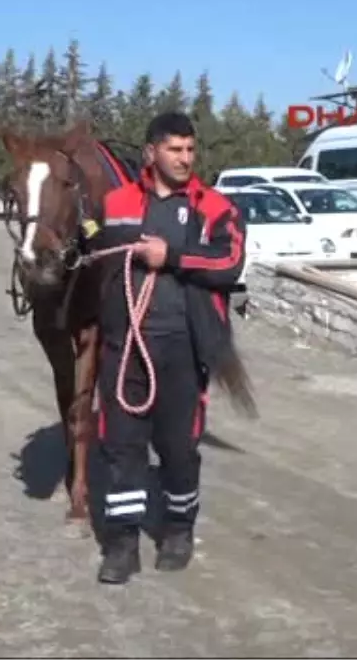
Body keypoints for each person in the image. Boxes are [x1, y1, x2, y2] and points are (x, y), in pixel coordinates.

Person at [89, 112, 245, 583]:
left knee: (179, 448)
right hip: (123, 349)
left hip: (181, 348)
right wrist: (77, 241)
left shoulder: (214, 207)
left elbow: (230, 262)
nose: (185, 158)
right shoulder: (115, 202)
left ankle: (179, 528)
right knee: (121, 449)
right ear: (151, 152)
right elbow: (92, 237)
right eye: (175, 149)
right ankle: (121, 545)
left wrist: (170, 257)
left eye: (190, 150)